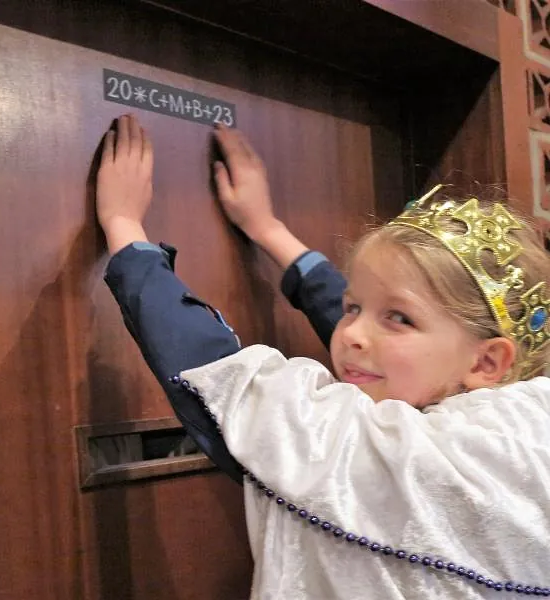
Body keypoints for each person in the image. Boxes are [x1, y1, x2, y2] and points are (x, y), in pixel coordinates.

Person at [96, 114, 550, 598]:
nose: (352, 334)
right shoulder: (526, 430)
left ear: (485, 362)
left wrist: (124, 229)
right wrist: (267, 229)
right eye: (353, 308)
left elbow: (230, 389)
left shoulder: (411, 466)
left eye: (398, 318)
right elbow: (394, 343)